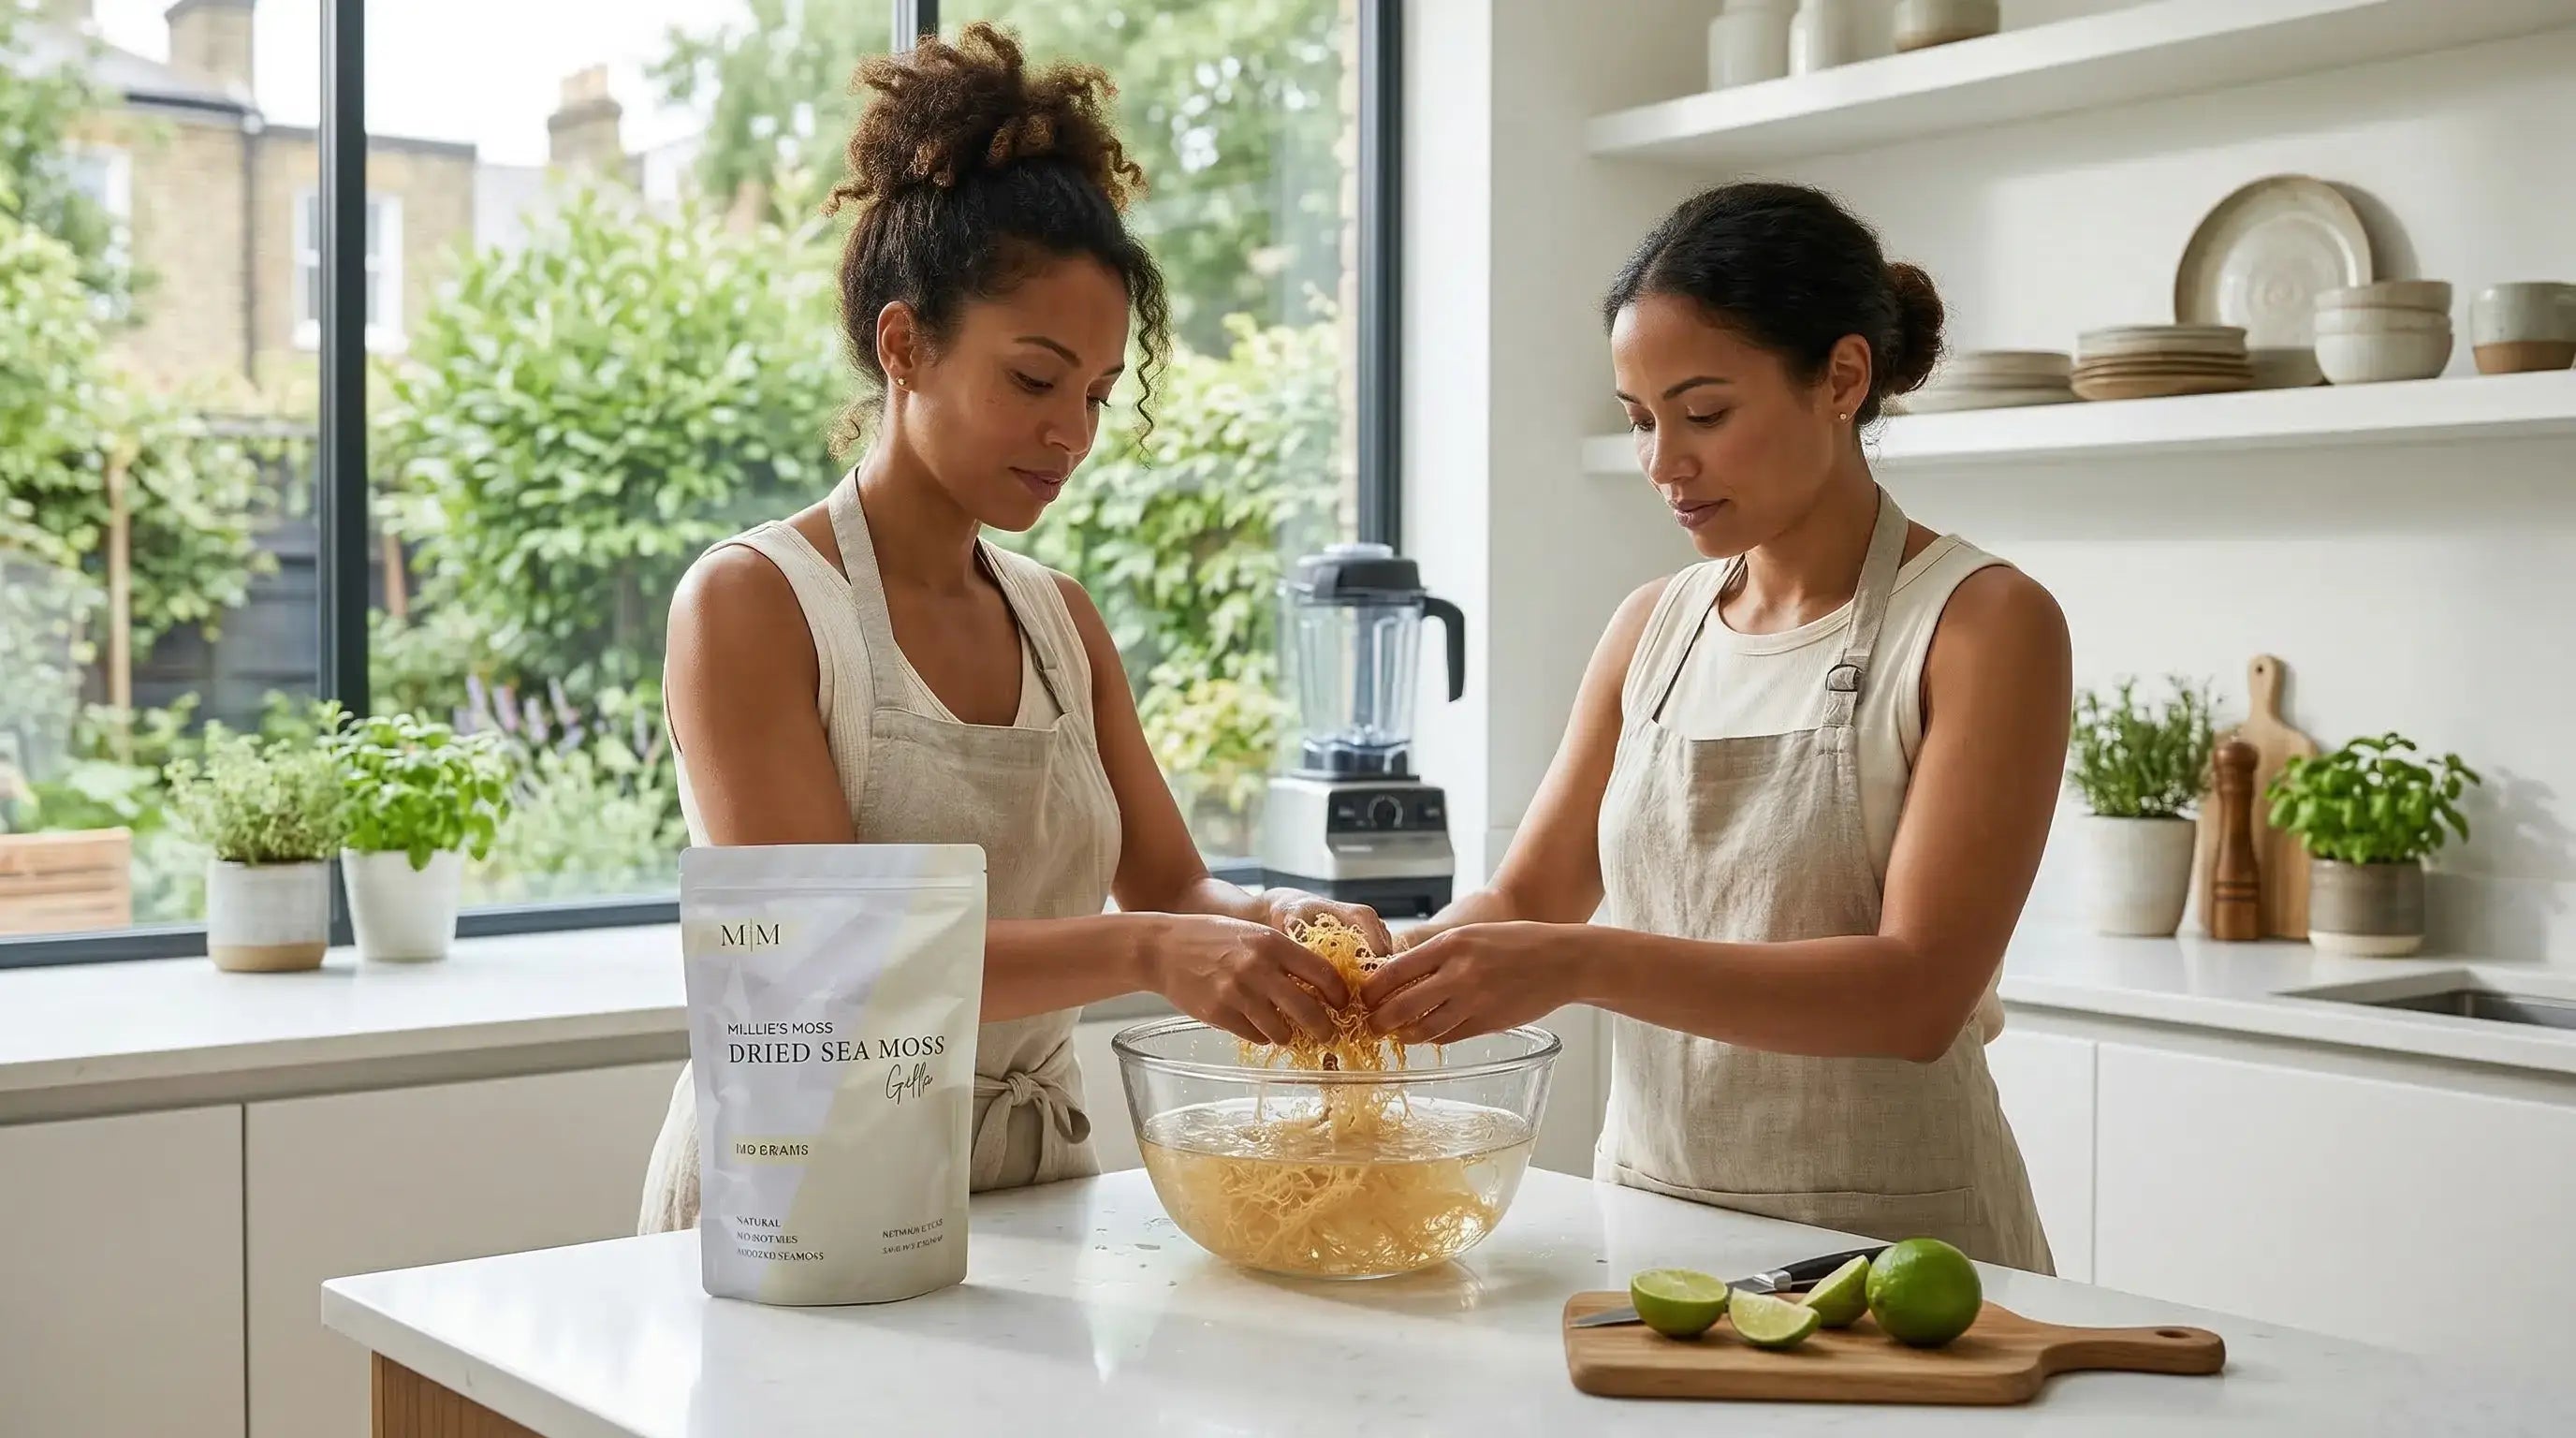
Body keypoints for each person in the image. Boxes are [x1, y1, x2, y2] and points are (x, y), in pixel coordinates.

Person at [637, 23, 1380, 1234]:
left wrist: (1286, 924)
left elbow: (1174, 882)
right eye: (1034, 381)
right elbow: (827, 965)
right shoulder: (755, 602)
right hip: (802, 1202)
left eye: (1094, 394)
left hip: (1032, 1196)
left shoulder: (1059, 620)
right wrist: (1146, 955)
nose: (1072, 433)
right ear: (903, 344)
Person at [1358, 183, 2067, 1271]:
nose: (1662, 462)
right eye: (1640, 419)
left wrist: (1580, 963)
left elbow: (1918, 993)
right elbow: (1528, 901)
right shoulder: (1653, 626)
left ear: (1840, 379)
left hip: (1897, 1254)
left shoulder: (1981, 623)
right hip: (1652, 1232)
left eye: (1704, 413)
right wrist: (1383, 969)